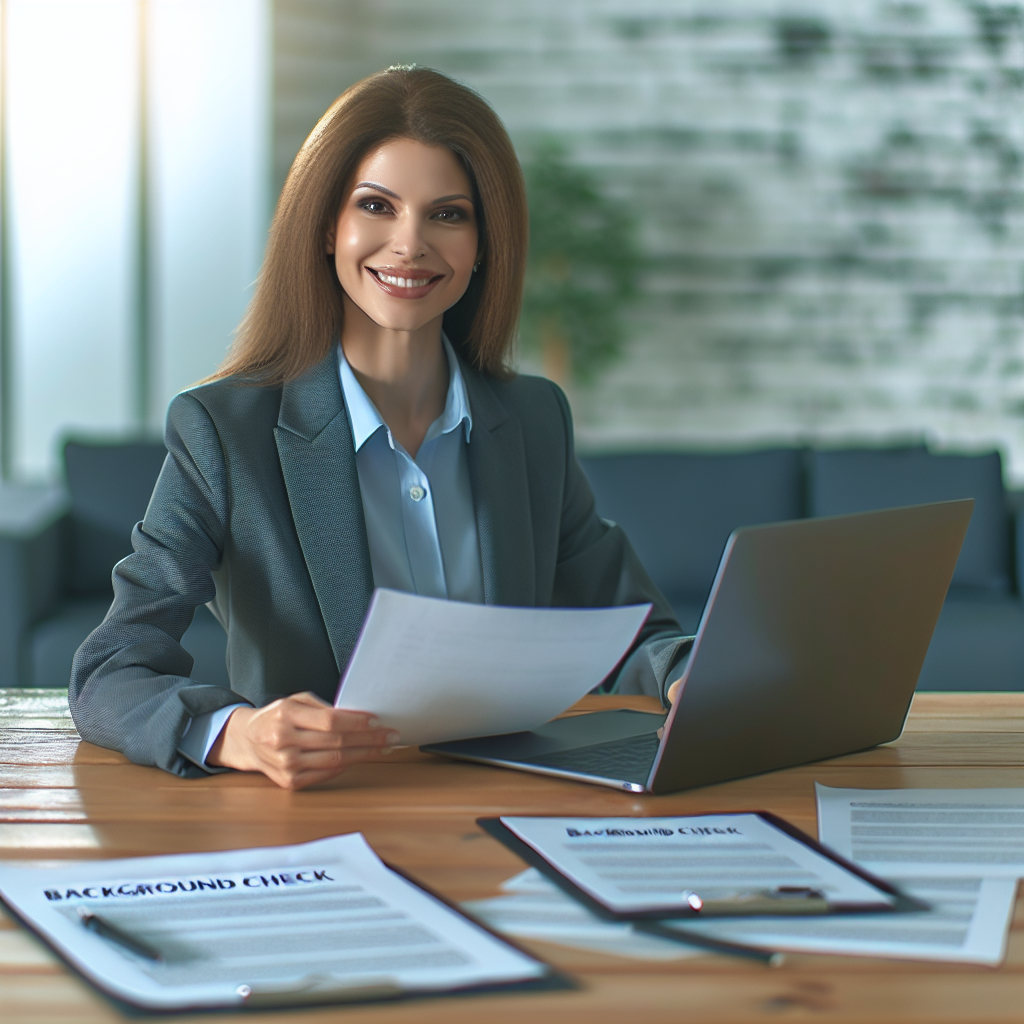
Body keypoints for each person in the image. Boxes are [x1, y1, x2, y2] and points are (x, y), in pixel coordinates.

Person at [69, 66, 690, 790]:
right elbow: (111, 670)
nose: (410, 244)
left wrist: (688, 675)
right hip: (329, 816)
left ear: (484, 242)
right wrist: (239, 732)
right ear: (326, 227)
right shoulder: (222, 432)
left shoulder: (533, 420)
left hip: (523, 804)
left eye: (448, 214)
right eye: (376, 206)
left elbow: (634, 628)